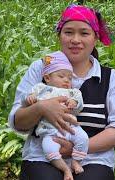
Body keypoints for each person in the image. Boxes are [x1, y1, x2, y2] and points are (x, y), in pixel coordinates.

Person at [8, 4, 115, 180]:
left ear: (95, 38)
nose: (75, 40)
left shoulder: (111, 78)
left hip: (94, 159)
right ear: (59, 36)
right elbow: (17, 121)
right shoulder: (40, 69)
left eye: (84, 33)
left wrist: (79, 147)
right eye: (68, 32)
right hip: (42, 155)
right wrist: (41, 108)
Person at [22, 51, 88, 180]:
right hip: (49, 132)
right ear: (47, 78)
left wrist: (74, 102)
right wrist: (30, 98)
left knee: (83, 138)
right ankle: (65, 169)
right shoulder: (40, 88)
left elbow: (80, 104)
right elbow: (26, 98)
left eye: (69, 78)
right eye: (61, 76)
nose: (66, 80)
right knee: (48, 149)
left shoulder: (72, 92)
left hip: (70, 128)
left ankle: (76, 161)